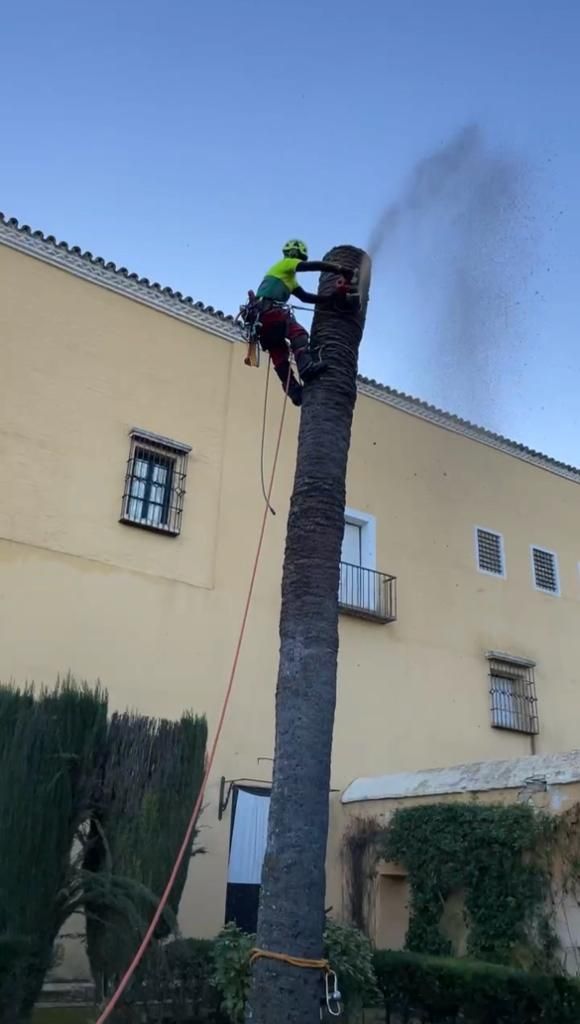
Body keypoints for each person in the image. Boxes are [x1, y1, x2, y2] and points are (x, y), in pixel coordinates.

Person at [254, 240, 355, 406]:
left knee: (279, 355)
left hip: (262, 321)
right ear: (294, 254)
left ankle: (294, 391)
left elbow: (306, 297)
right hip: (272, 312)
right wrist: (339, 269)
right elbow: (311, 266)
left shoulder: (288, 279)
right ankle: (306, 367)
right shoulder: (286, 264)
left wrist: (329, 299)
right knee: (298, 334)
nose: (296, 258)